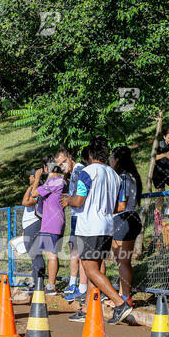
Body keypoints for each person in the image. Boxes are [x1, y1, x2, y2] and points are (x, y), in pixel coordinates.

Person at [61, 136, 132, 324]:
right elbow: (122, 205)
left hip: (90, 226)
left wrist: (68, 200)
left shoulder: (87, 172)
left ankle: (119, 303)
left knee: (90, 269)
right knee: (95, 268)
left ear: (91, 154)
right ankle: (87, 309)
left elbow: (78, 201)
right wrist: (104, 208)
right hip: (107, 226)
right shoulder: (115, 175)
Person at [109, 146, 142, 306]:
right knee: (123, 260)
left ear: (117, 160)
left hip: (123, 218)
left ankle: (125, 297)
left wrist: (105, 210)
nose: (110, 160)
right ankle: (124, 295)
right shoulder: (132, 175)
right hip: (131, 217)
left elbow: (121, 205)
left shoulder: (122, 177)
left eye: (112, 157)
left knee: (122, 261)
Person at [54, 147, 87, 302]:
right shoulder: (73, 173)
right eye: (60, 166)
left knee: (78, 252)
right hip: (76, 216)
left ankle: (81, 287)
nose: (62, 168)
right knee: (74, 249)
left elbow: (81, 197)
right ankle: (75, 284)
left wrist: (69, 200)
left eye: (63, 163)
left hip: (80, 216)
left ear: (69, 157)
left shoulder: (79, 171)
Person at [31, 159, 66, 295]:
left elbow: (34, 194)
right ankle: (51, 284)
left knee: (51, 255)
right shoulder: (58, 181)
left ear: (47, 168)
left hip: (51, 224)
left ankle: (51, 286)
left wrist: (37, 178)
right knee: (52, 254)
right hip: (54, 222)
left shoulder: (54, 181)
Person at [21, 168, 45, 292]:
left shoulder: (39, 190)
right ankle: (35, 281)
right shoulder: (34, 189)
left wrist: (33, 184)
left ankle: (39, 283)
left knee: (36, 254)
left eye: (31, 176)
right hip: (29, 225)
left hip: (35, 224)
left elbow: (26, 202)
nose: (29, 178)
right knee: (33, 255)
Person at [153, 128, 169, 214]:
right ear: (164, 137)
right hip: (158, 173)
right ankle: (158, 216)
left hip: (168, 171)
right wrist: (165, 155)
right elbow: (153, 158)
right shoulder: (159, 145)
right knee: (160, 195)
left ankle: (168, 209)